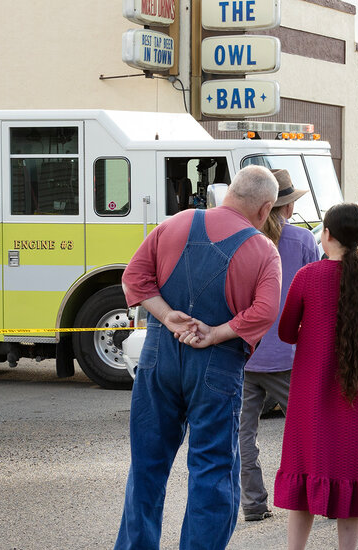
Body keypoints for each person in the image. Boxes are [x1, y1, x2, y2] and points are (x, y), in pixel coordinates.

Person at [115, 165, 283, 549]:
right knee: (212, 471)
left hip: (159, 353)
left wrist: (166, 317)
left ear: (228, 192)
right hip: (217, 364)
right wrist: (216, 333)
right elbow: (265, 311)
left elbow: (134, 278)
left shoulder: (175, 223)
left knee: (146, 468)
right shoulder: (263, 250)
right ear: (265, 209)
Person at [274, 203, 358, 550]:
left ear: (327, 234)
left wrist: (315, 332)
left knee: (306, 470)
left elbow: (286, 332)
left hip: (312, 390)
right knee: (353, 473)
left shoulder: (307, 276)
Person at [238, 169, 322, 523]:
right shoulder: (302, 240)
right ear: (286, 207)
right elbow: (316, 298)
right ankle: (321, 497)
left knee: (243, 435)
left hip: (242, 354)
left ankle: (253, 504)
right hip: (288, 355)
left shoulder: (241, 240)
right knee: (310, 431)